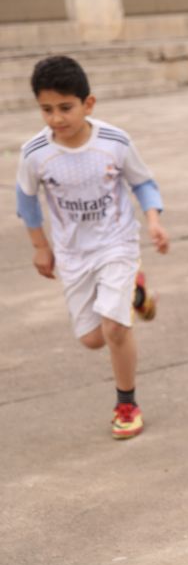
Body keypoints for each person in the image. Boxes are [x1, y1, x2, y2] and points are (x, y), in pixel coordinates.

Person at [15, 55, 169, 440]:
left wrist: (153, 220)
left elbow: (143, 183)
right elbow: (27, 201)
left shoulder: (114, 142)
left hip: (116, 243)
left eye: (65, 108)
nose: (56, 118)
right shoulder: (35, 152)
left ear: (88, 104)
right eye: (46, 109)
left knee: (115, 328)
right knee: (92, 338)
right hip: (73, 254)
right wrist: (40, 246)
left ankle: (126, 403)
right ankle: (136, 294)